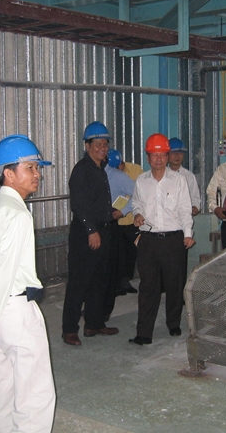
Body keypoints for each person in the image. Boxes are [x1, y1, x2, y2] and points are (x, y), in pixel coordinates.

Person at [0, 134, 56, 432]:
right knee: (34, 395)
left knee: (4, 388)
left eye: (37, 168)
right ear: (9, 173)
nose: (37, 174)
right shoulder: (17, 214)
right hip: (15, 311)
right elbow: (4, 275)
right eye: (30, 167)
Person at [129, 133, 195, 345]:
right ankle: (144, 333)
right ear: (148, 157)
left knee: (174, 284)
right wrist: (137, 214)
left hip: (173, 240)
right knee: (148, 287)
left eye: (162, 155)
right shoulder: (141, 181)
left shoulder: (179, 181)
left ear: (167, 157)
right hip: (148, 240)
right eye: (154, 155)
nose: (158, 159)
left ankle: (173, 323)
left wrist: (188, 234)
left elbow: (185, 209)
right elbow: (136, 203)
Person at [62, 121, 119, 346]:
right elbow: (79, 204)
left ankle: (94, 323)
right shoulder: (82, 170)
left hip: (102, 231)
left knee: (98, 280)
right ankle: (69, 329)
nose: (103, 148)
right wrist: (91, 230)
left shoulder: (100, 169)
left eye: (105, 144)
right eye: (98, 144)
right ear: (87, 146)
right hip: (86, 234)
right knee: (79, 282)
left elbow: (96, 202)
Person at [103, 148, 136, 320]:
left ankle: (105, 308)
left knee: (118, 261)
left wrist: (123, 211)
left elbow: (137, 193)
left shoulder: (120, 176)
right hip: (99, 225)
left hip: (115, 224)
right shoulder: (95, 174)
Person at [116, 155, 144, 295]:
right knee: (117, 255)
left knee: (132, 254)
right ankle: (117, 285)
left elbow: (143, 192)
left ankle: (126, 282)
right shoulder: (108, 172)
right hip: (116, 222)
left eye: (119, 167)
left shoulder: (136, 170)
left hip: (133, 221)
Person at [168, 138, 201, 216]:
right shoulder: (161, 175)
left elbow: (195, 199)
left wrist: (194, 207)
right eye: (174, 153)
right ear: (166, 155)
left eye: (180, 153)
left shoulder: (189, 176)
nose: (177, 156)